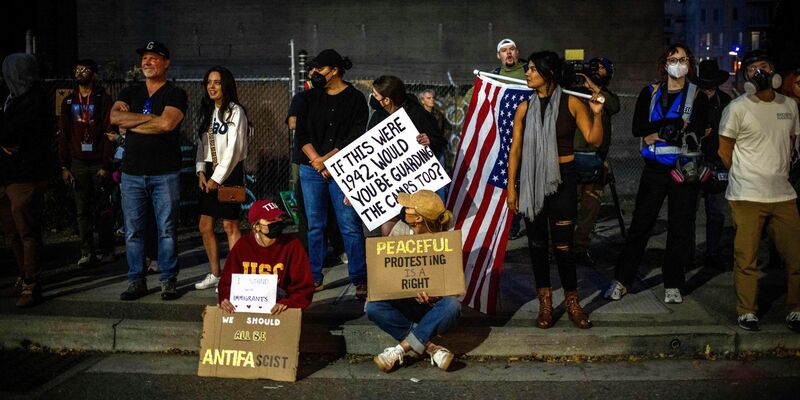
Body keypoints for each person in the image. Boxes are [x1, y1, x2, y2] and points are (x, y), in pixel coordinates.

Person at [506, 51, 605, 329]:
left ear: (548, 74)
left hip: (563, 180)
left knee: (563, 247)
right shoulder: (524, 108)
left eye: (533, 69)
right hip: (531, 183)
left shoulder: (572, 102)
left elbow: (594, 140)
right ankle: (546, 304)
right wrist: (512, 189)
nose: (527, 74)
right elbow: (515, 151)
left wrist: (596, 114)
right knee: (537, 246)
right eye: (528, 69)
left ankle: (573, 302)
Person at [605, 43, 709, 304]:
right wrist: (671, 125)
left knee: (679, 228)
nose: (679, 63)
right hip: (654, 170)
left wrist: (657, 132)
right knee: (640, 227)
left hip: (684, 170)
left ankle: (673, 282)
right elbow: (638, 127)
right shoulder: (649, 92)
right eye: (674, 59)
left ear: (690, 64)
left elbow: (698, 128)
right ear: (664, 64)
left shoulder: (697, 96)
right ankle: (622, 279)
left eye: (683, 59)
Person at [717, 51, 800, 332]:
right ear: (746, 77)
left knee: (796, 255)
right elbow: (724, 150)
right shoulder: (738, 108)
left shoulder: (789, 105)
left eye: (763, 67)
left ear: (774, 72)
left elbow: (790, 143)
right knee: (746, 256)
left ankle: (796, 308)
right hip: (747, 195)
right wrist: (743, 175)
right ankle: (747, 311)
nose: (758, 72)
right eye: (751, 69)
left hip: (783, 194)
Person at [110, 41, 188, 301]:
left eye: (153, 58)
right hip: (132, 173)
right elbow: (114, 118)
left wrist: (131, 123)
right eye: (144, 58)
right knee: (133, 231)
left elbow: (167, 124)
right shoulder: (130, 91)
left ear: (166, 63)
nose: (147, 62)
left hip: (165, 172)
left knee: (166, 229)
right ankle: (136, 280)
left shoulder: (175, 94)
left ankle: (167, 280)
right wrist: (148, 121)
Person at [294, 49, 368, 298]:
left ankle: (360, 279)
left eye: (319, 69)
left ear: (335, 70)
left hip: (342, 169)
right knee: (315, 225)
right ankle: (314, 277)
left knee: (349, 224)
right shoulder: (308, 98)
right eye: (313, 69)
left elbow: (355, 136)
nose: (314, 73)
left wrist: (327, 160)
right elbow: (301, 134)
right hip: (312, 168)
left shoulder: (356, 98)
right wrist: (317, 160)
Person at [367, 190, 461, 372]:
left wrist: (434, 296)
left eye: (408, 207)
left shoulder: (446, 240)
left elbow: (453, 286)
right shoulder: (400, 230)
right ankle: (431, 347)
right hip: (405, 304)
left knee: (453, 306)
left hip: (433, 309)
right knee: (373, 307)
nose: (404, 209)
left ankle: (400, 349)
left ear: (417, 218)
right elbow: (388, 274)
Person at [0, 53, 56, 307]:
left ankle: (31, 283)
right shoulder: (11, 99)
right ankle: (23, 276)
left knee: (27, 231)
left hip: (26, 175)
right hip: (7, 175)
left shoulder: (35, 100)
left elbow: (11, 133)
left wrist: (6, 140)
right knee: (11, 231)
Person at [194, 66, 248, 290]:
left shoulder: (236, 112)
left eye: (217, 82)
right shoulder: (208, 111)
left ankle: (234, 277)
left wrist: (217, 177)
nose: (212, 87)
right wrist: (200, 170)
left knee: (230, 225)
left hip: (230, 170)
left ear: (226, 85)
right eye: (209, 82)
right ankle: (215, 273)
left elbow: (234, 149)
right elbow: (202, 143)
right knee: (205, 225)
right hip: (209, 171)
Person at [58, 59, 116, 267]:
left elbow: (110, 131)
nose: (80, 73)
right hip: (78, 162)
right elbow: (63, 134)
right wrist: (64, 166)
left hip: (99, 160)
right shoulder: (68, 101)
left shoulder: (102, 98)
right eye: (77, 69)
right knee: (81, 209)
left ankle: (107, 249)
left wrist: (106, 164)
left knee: (103, 207)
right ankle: (86, 250)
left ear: (94, 73)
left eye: (85, 69)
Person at [370, 75, 446, 233]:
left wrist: (429, 140)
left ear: (387, 100)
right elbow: (368, 151)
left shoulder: (417, 113)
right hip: (390, 181)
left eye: (375, 95)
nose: (372, 97)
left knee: (419, 219)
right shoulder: (378, 116)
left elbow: (440, 141)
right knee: (389, 220)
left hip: (417, 181)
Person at [217, 200, 314, 314]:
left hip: (280, 308)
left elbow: (304, 286)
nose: (278, 221)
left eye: (279, 217)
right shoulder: (243, 246)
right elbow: (226, 283)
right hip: (246, 307)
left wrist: (289, 303)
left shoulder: (292, 245)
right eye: (271, 219)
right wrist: (226, 299)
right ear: (257, 226)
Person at [571, 57, 621, 266]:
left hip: (596, 160)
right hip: (571, 157)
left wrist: (592, 87)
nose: (596, 71)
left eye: (601, 68)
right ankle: (557, 249)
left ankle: (580, 248)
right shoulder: (572, 91)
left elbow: (613, 106)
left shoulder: (605, 96)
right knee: (565, 208)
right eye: (593, 67)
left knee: (590, 210)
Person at [695, 59, 733, 270]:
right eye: (705, 84)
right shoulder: (691, 100)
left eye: (712, 84)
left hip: (717, 162)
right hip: (693, 162)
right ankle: (687, 254)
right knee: (689, 212)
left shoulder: (726, 101)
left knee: (716, 213)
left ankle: (713, 254)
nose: (708, 88)